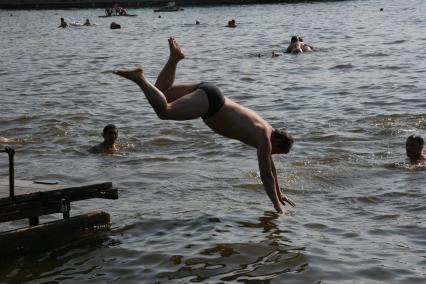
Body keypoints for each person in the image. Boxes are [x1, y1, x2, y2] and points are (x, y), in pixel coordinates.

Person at [112, 37, 295, 213]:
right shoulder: (264, 136)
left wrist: (279, 194)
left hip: (211, 93)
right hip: (212, 103)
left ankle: (174, 59)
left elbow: (271, 168)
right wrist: (277, 208)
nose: (272, 154)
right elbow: (266, 175)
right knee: (164, 112)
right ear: (277, 142)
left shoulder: (265, 128)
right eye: (276, 152)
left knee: (160, 92)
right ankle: (140, 78)